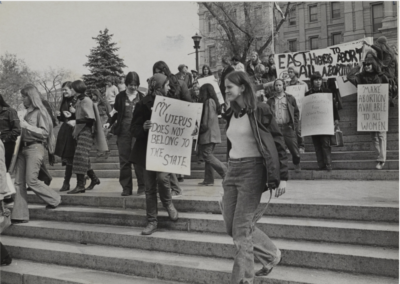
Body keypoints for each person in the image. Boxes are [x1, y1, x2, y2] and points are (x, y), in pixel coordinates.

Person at [222, 71, 288, 283]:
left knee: (240, 231)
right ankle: (270, 254)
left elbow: (278, 143)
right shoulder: (231, 113)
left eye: (229, 87)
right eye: (224, 87)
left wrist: (282, 177)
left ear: (242, 88)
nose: (225, 90)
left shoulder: (261, 110)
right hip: (232, 170)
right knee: (231, 225)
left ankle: (243, 280)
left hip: (253, 170)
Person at [130, 73, 179, 235]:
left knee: (163, 177)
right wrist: (143, 128)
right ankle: (152, 221)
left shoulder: (172, 103)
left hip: (164, 151)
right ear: (158, 87)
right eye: (167, 85)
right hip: (147, 152)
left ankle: (168, 204)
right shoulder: (143, 104)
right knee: (150, 188)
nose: (169, 88)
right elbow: (133, 129)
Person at [11, 84, 61, 223]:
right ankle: (20, 215)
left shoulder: (40, 112)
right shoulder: (25, 113)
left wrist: (27, 126)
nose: (22, 99)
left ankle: (55, 198)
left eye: (24, 96)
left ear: (31, 96)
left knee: (31, 180)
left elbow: (45, 133)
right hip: (22, 149)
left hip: (35, 148)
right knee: (18, 182)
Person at [347, 51, 391, 170]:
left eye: (369, 64)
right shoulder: (360, 77)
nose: (367, 66)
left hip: (380, 108)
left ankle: (381, 159)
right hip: (367, 110)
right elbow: (349, 77)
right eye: (365, 64)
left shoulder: (382, 76)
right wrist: (358, 65)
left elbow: (388, 90)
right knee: (374, 136)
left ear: (374, 64)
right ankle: (379, 155)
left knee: (381, 135)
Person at [104, 72, 146, 196]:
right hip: (123, 132)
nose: (133, 87)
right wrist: (108, 123)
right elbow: (115, 112)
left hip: (138, 134)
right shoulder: (120, 97)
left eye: (135, 85)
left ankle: (142, 186)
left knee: (139, 160)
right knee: (124, 161)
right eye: (130, 84)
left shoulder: (142, 97)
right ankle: (126, 187)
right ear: (126, 84)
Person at [68, 80, 107, 194]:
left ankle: (80, 185)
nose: (71, 90)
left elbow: (90, 119)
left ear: (76, 89)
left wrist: (76, 122)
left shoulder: (85, 100)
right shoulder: (80, 100)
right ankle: (94, 179)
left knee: (80, 157)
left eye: (72, 88)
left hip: (86, 132)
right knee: (83, 157)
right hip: (81, 131)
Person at [305, 72, 340, 171]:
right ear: (312, 82)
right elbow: (307, 109)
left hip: (325, 122)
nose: (318, 82)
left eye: (319, 79)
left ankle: (328, 165)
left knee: (325, 143)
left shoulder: (327, 92)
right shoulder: (308, 94)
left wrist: (336, 119)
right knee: (317, 145)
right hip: (313, 123)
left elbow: (333, 107)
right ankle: (321, 165)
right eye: (316, 80)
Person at [267, 79, 301, 172]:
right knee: (279, 150)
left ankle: (296, 163)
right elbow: (267, 114)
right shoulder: (270, 100)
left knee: (294, 150)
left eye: (280, 85)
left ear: (283, 86)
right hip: (276, 128)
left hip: (288, 127)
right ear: (274, 86)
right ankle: (282, 169)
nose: (278, 87)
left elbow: (296, 113)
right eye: (276, 85)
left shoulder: (290, 98)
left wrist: (294, 125)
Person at [198, 84, 227, 186]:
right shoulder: (213, 101)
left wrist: (200, 129)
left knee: (207, 155)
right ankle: (209, 180)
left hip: (208, 134)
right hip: (212, 133)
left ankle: (226, 173)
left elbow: (207, 120)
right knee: (208, 157)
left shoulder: (209, 101)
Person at [54, 82, 78, 192]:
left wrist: (75, 112)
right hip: (65, 130)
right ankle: (93, 177)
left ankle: (66, 183)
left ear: (72, 90)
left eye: (66, 90)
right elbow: (64, 118)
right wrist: (59, 116)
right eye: (62, 90)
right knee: (69, 157)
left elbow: (82, 116)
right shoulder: (64, 101)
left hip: (74, 130)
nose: (64, 92)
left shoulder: (76, 100)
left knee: (70, 157)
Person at [287, 66, 309, 154]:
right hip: (289, 109)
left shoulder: (303, 84)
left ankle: (301, 146)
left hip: (299, 109)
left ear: (296, 73)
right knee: (289, 129)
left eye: (291, 71)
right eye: (288, 72)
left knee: (299, 129)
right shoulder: (287, 85)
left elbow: (307, 96)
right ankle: (290, 146)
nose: (289, 73)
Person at [0, 94, 21, 169]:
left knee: (4, 170)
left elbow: (17, 129)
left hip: (7, 145)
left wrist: (4, 140)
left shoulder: (10, 111)